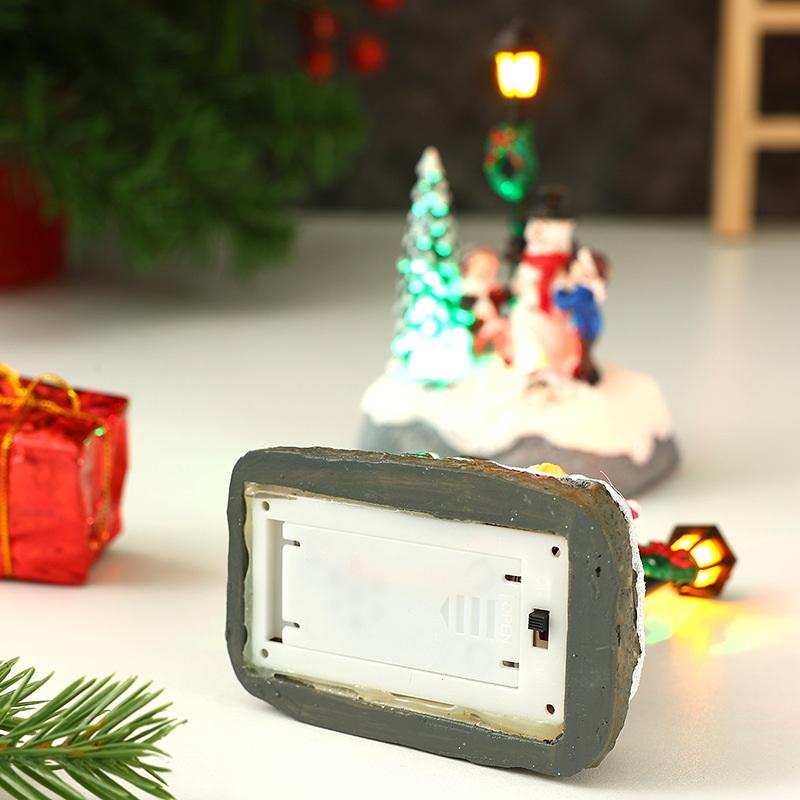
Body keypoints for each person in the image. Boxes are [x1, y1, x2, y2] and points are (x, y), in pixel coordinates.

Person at [552, 247, 609, 385]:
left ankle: (587, 376)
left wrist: (558, 288)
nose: (573, 266)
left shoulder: (584, 290)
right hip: (586, 325)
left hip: (586, 327)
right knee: (581, 352)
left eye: (578, 264)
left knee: (582, 353)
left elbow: (562, 303)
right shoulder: (580, 288)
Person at [459, 245, 511, 360]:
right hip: (472, 336)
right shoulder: (462, 288)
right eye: (482, 264)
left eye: (491, 266)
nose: (487, 269)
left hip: (494, 339)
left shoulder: (495, 291)